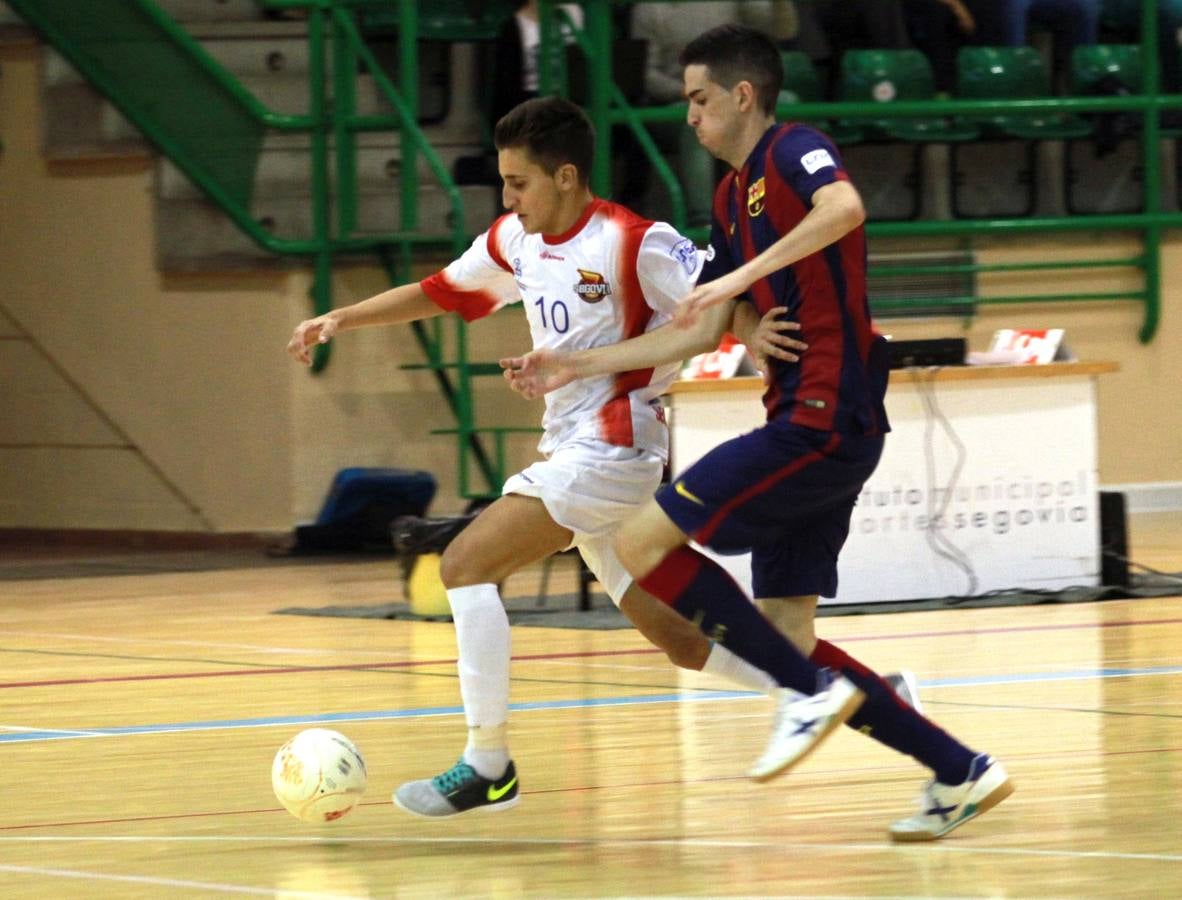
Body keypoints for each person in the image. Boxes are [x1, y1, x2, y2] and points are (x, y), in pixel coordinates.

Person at [288, 95, 868, 820]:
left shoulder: (633, 241)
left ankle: (487, 765)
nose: (508, 198)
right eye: (503, 184)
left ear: (565, 176)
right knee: (683, 643)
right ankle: (855, 697)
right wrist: (342, 316)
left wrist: (748, 333)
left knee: (466, 563)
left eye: (519, 183)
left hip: (614, 450)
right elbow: (440, 292)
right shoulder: (513, 241)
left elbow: (711, 297)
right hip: (579, 455)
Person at [502, 25, 1014, 841]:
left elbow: (844, 207)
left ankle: (808, 698)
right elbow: (695, 330)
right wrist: (577, 362)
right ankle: (959, 770)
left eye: (700, 100)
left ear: (742, 96)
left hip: (825, 413)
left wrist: (742, 278)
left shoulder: (792, 149)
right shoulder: (725, 196)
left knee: (641, 541)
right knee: (788, 636)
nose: (692, 118)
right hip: (805, 417)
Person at [630, 2, 798, 225]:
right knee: (700, 119)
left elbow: (783, 29)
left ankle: (787, 206)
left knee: (787, 103)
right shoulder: (650, 9)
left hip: (737, 97)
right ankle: (704, 220)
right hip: (677, 102)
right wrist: (691, 92)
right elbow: (645, 73)